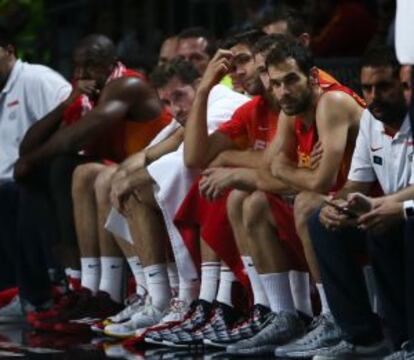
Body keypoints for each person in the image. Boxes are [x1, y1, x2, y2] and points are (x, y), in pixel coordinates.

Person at [225, 39, 365, 357]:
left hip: (369, 203)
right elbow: (265, 172)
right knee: (253, 201)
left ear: (312, 76)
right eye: (275, 83)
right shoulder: (292, 108)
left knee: (306, 202)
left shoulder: (332, 103)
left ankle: (334, 319)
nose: (283, 91)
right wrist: (286, 169)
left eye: (290, 80)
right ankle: (286, 315)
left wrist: (284, 168)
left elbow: (320, 181)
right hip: (336, 207)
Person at [16, 34, 168, 326]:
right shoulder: (87, 94)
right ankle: (82, 287)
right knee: (44, 177)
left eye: (92, 65)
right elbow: (29, 147)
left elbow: (76, 137)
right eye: (78, 67)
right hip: (125, 169)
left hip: (157, 166)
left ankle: (109, 291)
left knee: (73, 170)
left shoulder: (126, 85)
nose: (84, 74)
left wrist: (29, 161)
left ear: (111, 63)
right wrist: (67, 103)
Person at [101, 55, 249, 340]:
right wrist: (124, 174)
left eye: (179, 96)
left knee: (146, 183)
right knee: (123, 182)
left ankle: (187, 296)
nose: (175, 109)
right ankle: (156, 296)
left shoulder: (221, 101)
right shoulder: (192, 109)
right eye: (166, 103)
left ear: (198, 84)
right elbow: (160, 147)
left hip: (238, 189)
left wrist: (131, 176)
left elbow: (189, 159)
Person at [307, 45, 414, 360]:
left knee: (388, 226)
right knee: (321, 221)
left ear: (404, 86)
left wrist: (379, 205)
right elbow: (356, 182)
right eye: (367, 88)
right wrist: (338, 204)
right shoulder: (370, 119)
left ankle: (406, 341)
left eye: (383, 87)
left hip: (406, 214)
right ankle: (362, 336)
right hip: (392, 209)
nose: (373, 96)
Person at [0, 28, 71, 321]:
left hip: (41, 177)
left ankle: (36, 295)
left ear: (8, 49)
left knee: (10, 192)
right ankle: (16, 291)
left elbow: (74, 116)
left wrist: (35, 161)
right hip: (9, 179)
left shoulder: (38, 79)